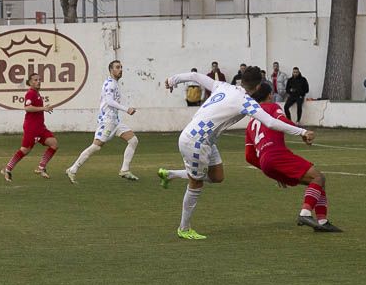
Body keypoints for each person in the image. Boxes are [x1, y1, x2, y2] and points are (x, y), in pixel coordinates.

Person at [159, 65, 314, 240]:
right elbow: (270, 122)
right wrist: (301, 131)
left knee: (217, 176)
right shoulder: (246, 102)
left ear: (242, 80)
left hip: (204, 139)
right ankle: (184, 228)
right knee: (196, 183)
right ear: (258, 86)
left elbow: (194, 76)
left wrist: (173, 80)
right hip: (196, 142)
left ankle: (171, 174)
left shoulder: (224, 86)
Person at [244, 82, 340, 232]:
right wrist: (302, 131)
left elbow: (249, 156)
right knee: (318, 178)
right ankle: (305, 213)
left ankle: (322, 221)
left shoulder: (250, 122)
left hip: (265, 163)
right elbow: (281, 120)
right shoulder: (272, 107)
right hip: (276, 154)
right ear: (270, 95)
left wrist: (272, 171)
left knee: (318, 181)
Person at [65, 60, 140, 183]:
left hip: (115, 121)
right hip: (107, 121)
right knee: (96, 146)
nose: (120, 69)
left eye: (121, 67)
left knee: (133, 140)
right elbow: (109, 101)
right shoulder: (110, 84)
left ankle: (125, 170)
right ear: (111, 70)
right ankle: (73, 169)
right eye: (117, 67)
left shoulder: (114, 83)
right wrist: (127, 109)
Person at [1, 72, 59, 181]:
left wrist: (44, 108)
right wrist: (43, 108)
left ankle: (41, 167)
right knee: (25, 150)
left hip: (40, 127)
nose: (38, 82)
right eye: (35, 80)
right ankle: (7, 169)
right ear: (30, 82)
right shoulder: (30, 93)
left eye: (39, 79)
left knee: (54, 144)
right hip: (32, 128)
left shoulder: (37, 93)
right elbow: (27, 108)